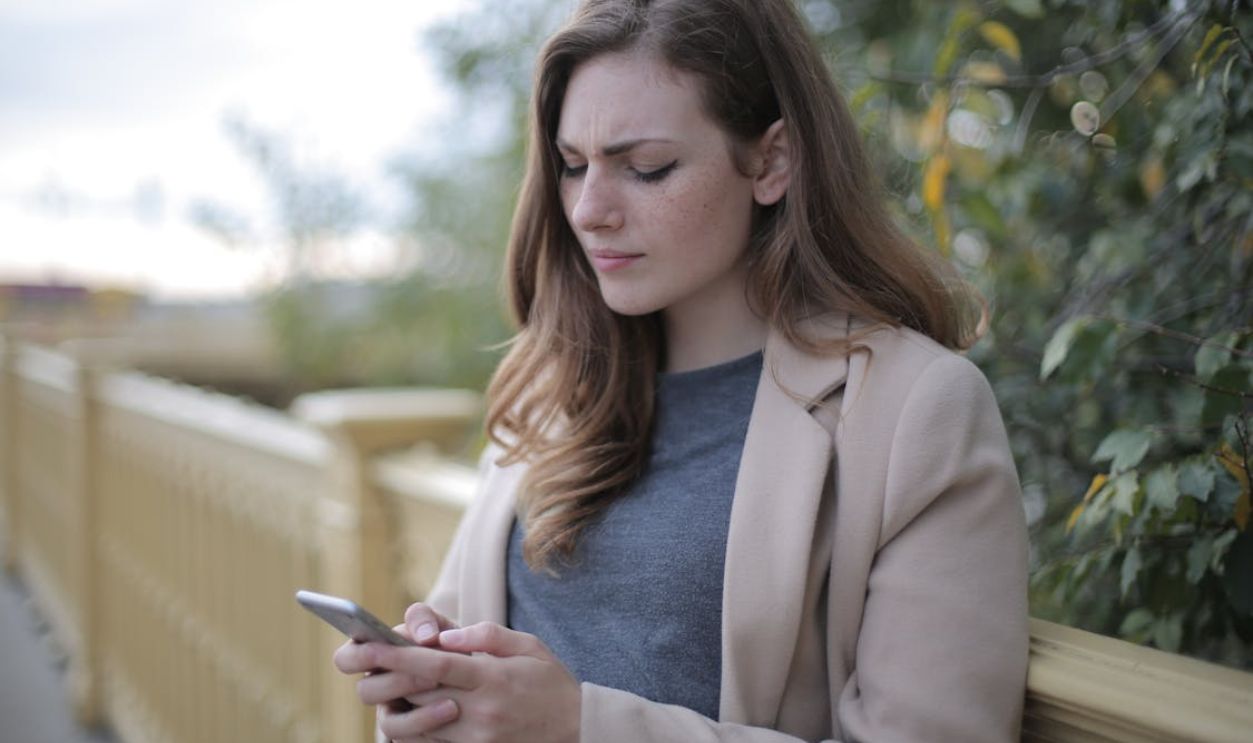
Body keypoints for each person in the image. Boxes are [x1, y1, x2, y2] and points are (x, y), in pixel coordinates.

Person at [333, 0, 1029, 740]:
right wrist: (432, 686)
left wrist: (578, 725)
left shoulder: (915, 411)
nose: (589, 210)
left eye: (645, 168)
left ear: (771, 160)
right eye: (572, 166)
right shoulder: (554, 388)